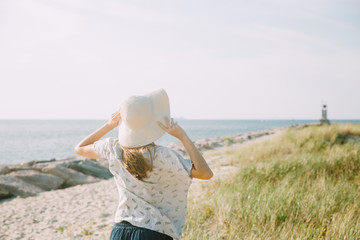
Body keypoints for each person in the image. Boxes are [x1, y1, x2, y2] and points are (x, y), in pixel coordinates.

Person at [74, 89, 213, 240]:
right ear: (152, 121)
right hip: (155, 231)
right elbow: (205, 173)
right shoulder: (162, 155)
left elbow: (79, 148)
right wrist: (183, 137)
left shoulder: (113, 149)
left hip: (120, 231)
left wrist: (108, 125)